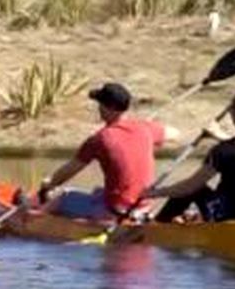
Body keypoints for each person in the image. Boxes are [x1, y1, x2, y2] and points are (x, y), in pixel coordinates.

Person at [31, 82, 181, 221]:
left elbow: (69, 171)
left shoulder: (100, 139)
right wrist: (145, 131)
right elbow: (176, 133)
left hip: (117, 211)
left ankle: (32, 219)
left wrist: (48, 184)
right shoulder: (145, 128)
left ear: (106, 107)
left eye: (100, 103)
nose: (98, 107)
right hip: (143, 208)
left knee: (64, 197)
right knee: (98, 192)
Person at [147, 90, 235, 223]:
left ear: (233, 115)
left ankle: (157, 226)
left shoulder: (223, 151)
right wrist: (219, 135)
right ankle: (190, 217)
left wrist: (156, 193)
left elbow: (189, 187)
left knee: (197, 189)